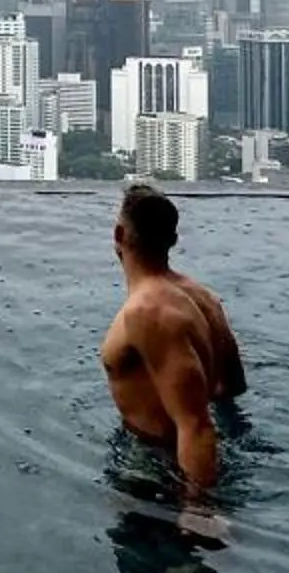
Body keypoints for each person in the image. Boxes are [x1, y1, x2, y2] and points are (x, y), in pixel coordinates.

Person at [99, 183, 247, 489]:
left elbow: (195, 425)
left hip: (158, 468)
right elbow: (231, 388)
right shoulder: (205, 298)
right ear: (173, 240)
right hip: (202, 453)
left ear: (119, 234)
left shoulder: (148, 312)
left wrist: (198, 509)